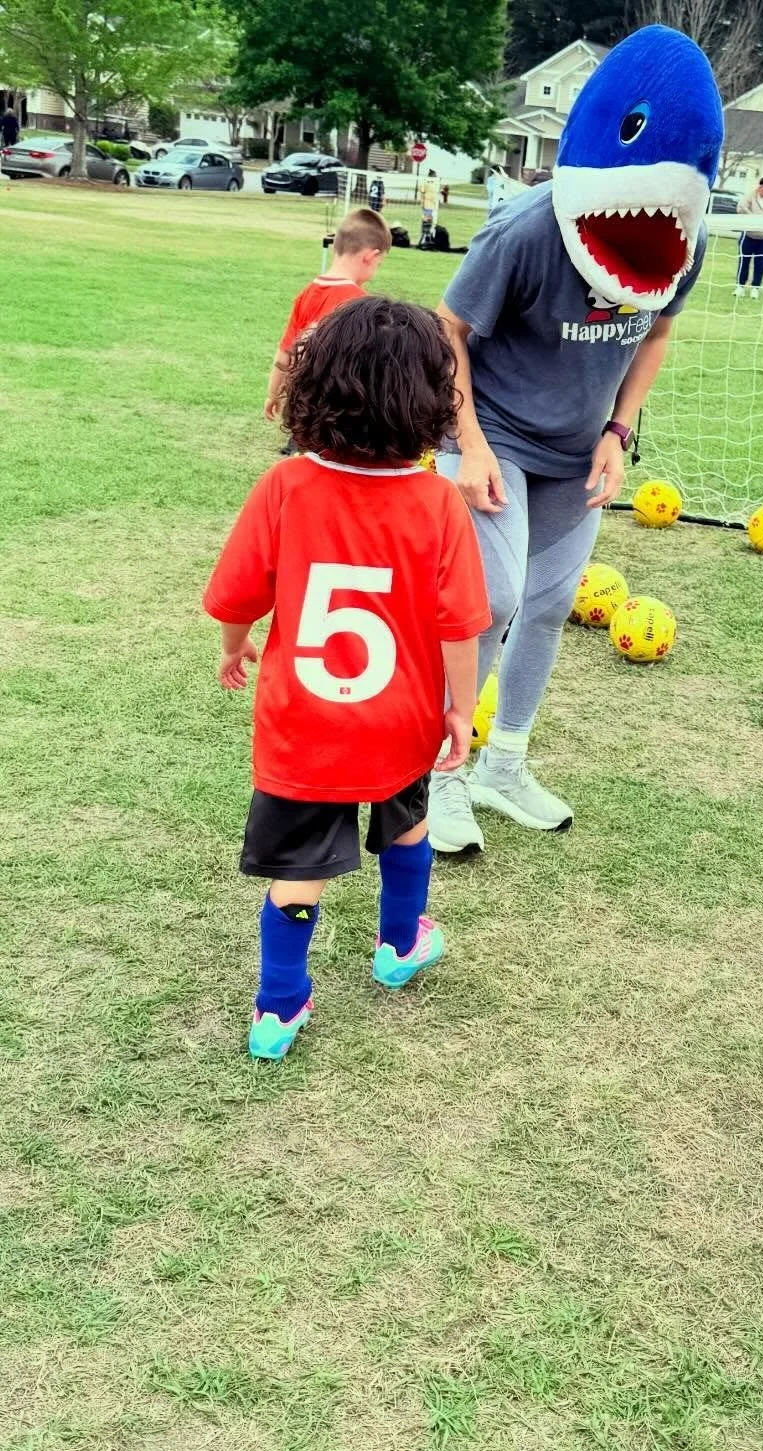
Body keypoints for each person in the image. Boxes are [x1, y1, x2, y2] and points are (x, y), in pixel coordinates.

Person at [426, 24, 723, 856]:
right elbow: (446, 328)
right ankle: (438, 772)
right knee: (491, 599)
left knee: (552, 602)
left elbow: (656, 332)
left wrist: (619, 430)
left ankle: (504, 765)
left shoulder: (684, 238)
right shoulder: (524, 229)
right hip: (492, 433)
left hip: (577, 448)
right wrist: (469, 442)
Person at [204, 298, 491, 1061]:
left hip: (304, 725)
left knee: (299, 871)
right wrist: (460, 708)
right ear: (430, 401)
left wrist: (236, 647)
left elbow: (236, 596)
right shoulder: (437, 502)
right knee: (408, 821)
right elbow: (461, 624)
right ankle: (398, 944)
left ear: (316, 385)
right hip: (401, 719)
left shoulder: (285, 486)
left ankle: (278, 1007)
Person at [264, 207, 390, 424]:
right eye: (379, 264)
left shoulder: (307, 294)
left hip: (303, 407)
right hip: (338, 412)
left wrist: (273, 394)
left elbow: (284, 354)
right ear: (370, 257)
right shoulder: (361, 306)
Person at [418, 169, 440, 246]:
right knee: (428, 222)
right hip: (429, 205)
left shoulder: (433, 182)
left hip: (432, 205)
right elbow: (422, 192)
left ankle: (428, 237)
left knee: (430, 222)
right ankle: (425, 238)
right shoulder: (429, 182)